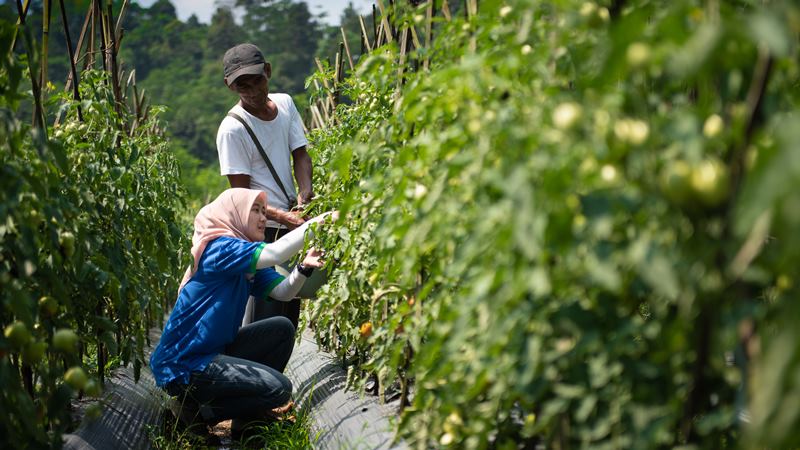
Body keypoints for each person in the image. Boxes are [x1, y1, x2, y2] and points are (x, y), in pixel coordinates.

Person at [149, 188, 334, 440]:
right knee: (279, 389)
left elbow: (283, 292)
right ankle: (193, 411)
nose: (262, 218)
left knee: (281, 329)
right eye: (255, 211)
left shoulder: (245, 258)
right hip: (186, 365)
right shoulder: (219, 247)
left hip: (214, 354)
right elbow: (275, 253)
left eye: (263, 211)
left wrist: (302, 268)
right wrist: (320, 222)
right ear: (234, 214)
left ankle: (246, 419)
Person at [216, 42, 313, 328]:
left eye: (257, 81)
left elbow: (301, 154)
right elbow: (241, 199)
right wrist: (284, 217)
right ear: (229, 87)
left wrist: (304, 195)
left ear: (268, 71)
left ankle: (275, 369)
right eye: (242, 86)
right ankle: (260, 370)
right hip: (261, 230)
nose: (252, 91)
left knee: (291, 306)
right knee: (268, 311)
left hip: (291, 223)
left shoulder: (284, 104)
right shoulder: (232, 129)